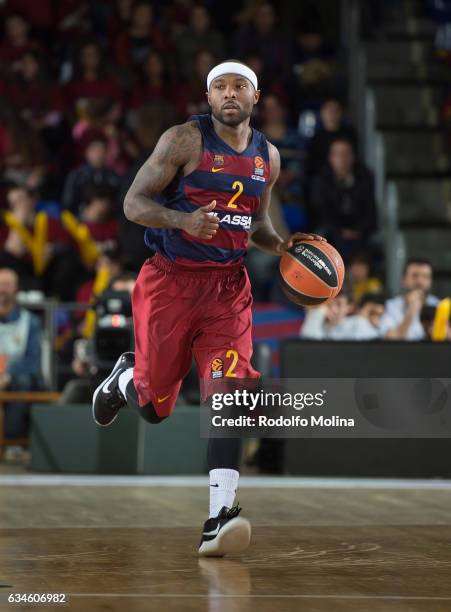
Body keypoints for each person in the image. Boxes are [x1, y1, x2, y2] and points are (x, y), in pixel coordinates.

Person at [91, 59, 325, 556]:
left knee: (231, 395)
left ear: (255, 97)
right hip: (170, 283)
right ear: (208, 96)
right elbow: (133, 204)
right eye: (220, 86)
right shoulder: (183, 140)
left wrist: (283, 247)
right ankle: (126, 379)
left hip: (228, 290)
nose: (230, 93)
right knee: (155, 409)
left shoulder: (269, 156)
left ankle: (220, 517)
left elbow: (255, 226)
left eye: (240, 85)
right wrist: (181, 219)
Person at [309, 137, 377, 260]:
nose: (342, 159)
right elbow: (320, 212)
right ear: (331, 158)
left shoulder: (365, 178)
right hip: (332, 231)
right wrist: (341, 231)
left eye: (346, 154)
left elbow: (370, 209)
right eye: (338, 154)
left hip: (360, 231)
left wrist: (359, 230)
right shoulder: (320, 181)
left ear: (353, 156)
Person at [0, 268, 42, 438]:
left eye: (7, 285)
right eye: (0, 284)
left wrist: (7, 374)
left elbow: (32, 362)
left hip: (17, 377)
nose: (2, 289)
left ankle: (12, 439)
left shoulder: (30, 321)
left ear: (16, 289)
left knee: (23, 381)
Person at [380, 259, 439, 340]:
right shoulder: (391, 306)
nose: (420, 281)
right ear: (404, 280)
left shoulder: (439, 305)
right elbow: (389, 340)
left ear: (431, 281)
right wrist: (411, 312)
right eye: (415, 275)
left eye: (425, 276)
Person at [300, 289, 383, 340]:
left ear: (350, 308)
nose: (332, 308)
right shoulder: (320, 322)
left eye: (338, 304)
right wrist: (317, 312)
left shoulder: (358, 324)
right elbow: (308, 344)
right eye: (328, 303)